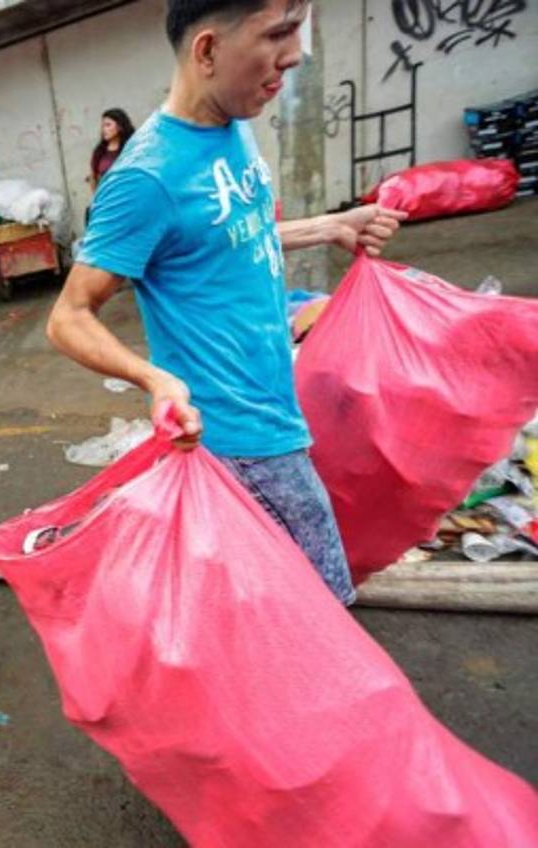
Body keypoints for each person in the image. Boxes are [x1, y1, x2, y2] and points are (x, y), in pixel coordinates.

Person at [46, 0, 407, 606]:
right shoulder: (146, 178)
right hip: (240, 440)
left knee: (273, 616)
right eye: (278, 34)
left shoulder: (234, 126)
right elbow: (67, 318)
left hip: (274, 407)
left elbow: (231, 237)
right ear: (207, 51)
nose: (294, 54)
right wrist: (153, 378)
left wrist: (331, 226)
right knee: (326, 614)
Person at [89, 108, 136, 195]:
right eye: (103, 126)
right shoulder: (99, 151)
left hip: (129, 198)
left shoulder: (131, 149)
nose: (103, 129)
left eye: (108, 125)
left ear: (120, 126)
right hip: (107, 201)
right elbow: (93, 178)